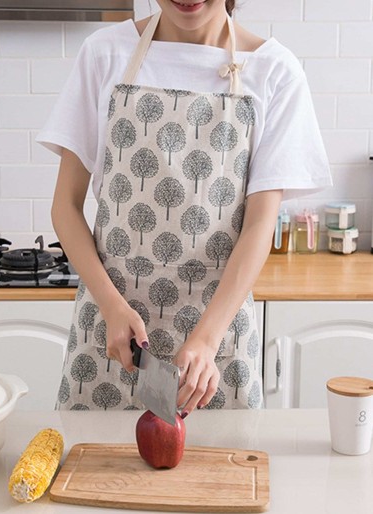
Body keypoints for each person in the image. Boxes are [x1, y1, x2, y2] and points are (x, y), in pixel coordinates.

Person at [36, 0, 332, 416]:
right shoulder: (105, 53)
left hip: (217, 348)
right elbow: (65, 206)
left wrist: (207, 339)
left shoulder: (273, 71)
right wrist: (111, 306)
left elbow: (260, 225)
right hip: (110, 334)